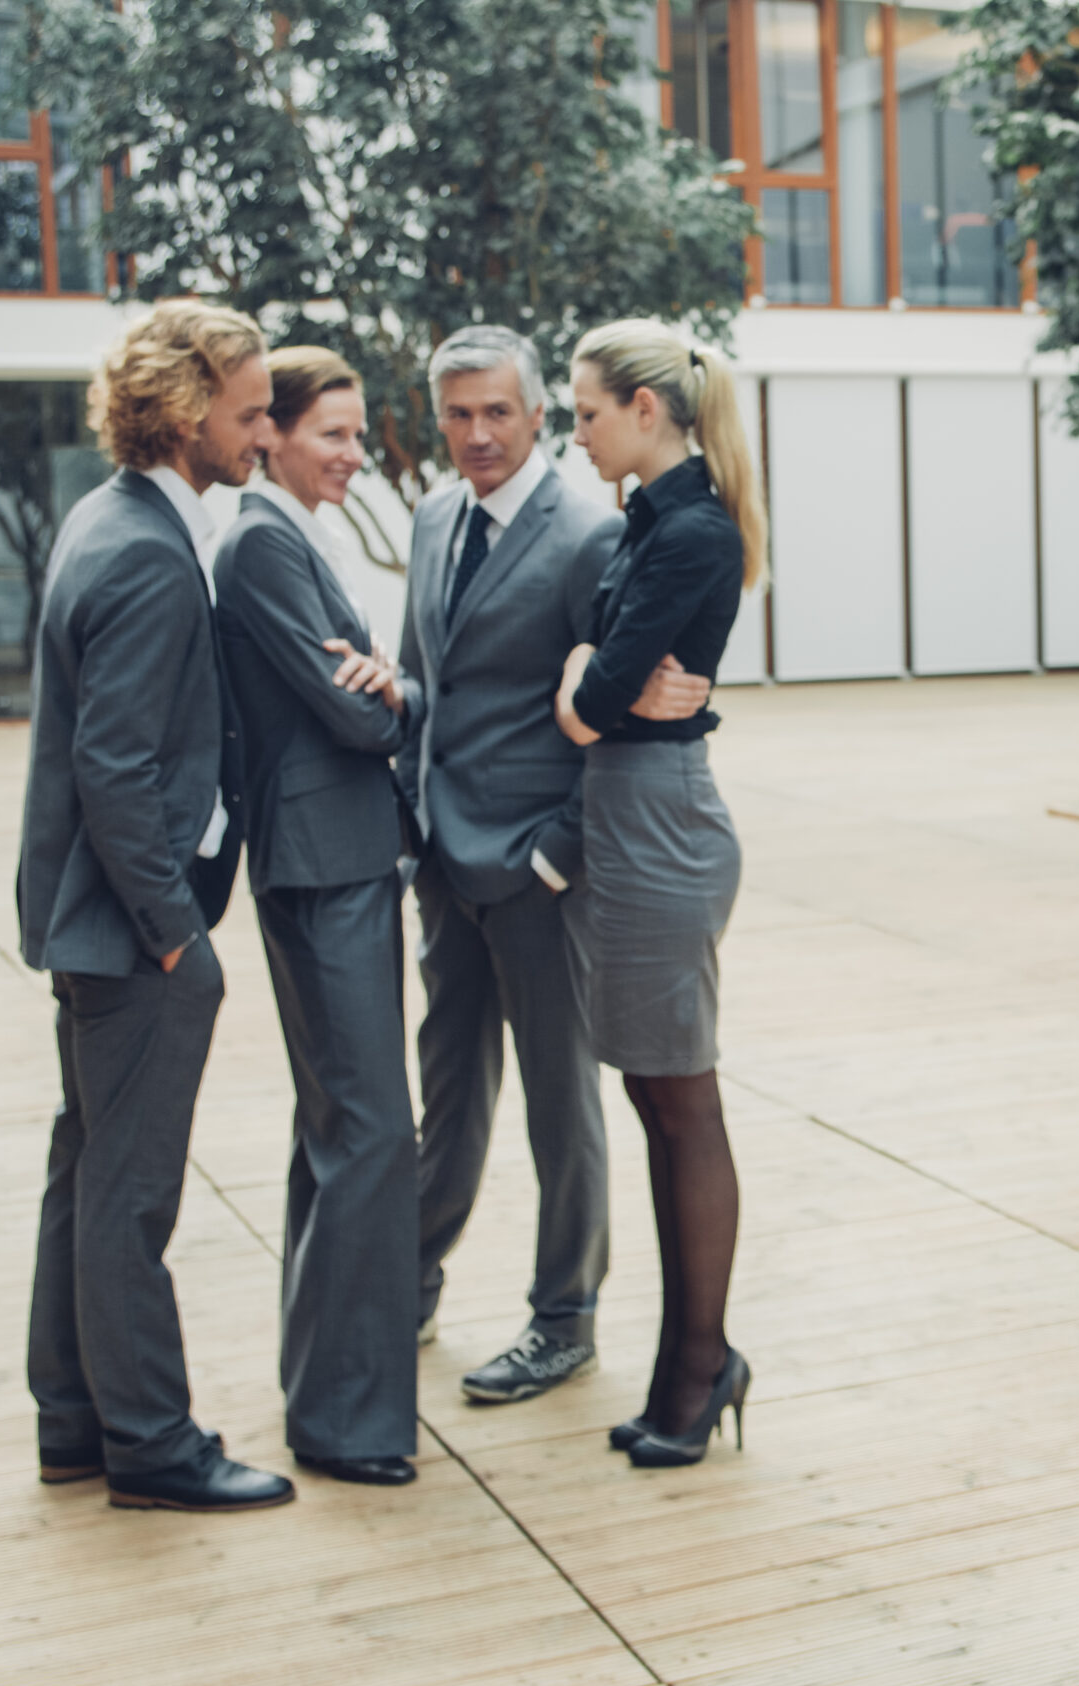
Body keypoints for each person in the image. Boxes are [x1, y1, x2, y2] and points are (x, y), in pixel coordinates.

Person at [15, 300, 294, 1514]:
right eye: (249, 409)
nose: (266, 432)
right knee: (129, 1196)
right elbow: (115, 768)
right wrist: (179, 935)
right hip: (132, 935)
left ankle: (75, 1423)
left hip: (90, 925)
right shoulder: (141, 548)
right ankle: (152, 1447)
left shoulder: (109, 515)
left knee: (84, 1177)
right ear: (185, 414)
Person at [402, 325, 712, 1404]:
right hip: (444, 865)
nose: (478, 433)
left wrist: (554, 859)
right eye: (458, 413)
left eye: (499, 410)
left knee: (558, 1105)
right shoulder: (434, 516)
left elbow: (630, 713)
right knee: (447, 1095)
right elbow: (425, 684)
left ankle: (563, 1316)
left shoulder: (591, 531)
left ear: (536, 412)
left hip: (541, 871)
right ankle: (409, 1284)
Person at [551, 319, 764, 1468]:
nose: (574, 434)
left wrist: (586, 677)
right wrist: (602, 681)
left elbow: (597, 701)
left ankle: (699, 1365)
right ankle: (690, 1361)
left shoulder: (691, 530)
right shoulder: (649, 522)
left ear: (644, 407)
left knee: (681, 1103)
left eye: (584, 413)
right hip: (631, 814)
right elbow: (614, 691)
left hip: (660, 821)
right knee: (654, 1097)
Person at [212, 346, 421, 1486]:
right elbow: (355, 721)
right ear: (271, 433)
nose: (352, 453)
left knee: (339, 1129)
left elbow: (366, 691)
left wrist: (387, 687)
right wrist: (395, 702)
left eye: (355, 433)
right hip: (321, 861)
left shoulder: (288, 536)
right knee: (373, 1133)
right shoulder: (261, 542)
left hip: (336, 856)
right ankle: (346, 1421)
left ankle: (328, 1391)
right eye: (332, 434)